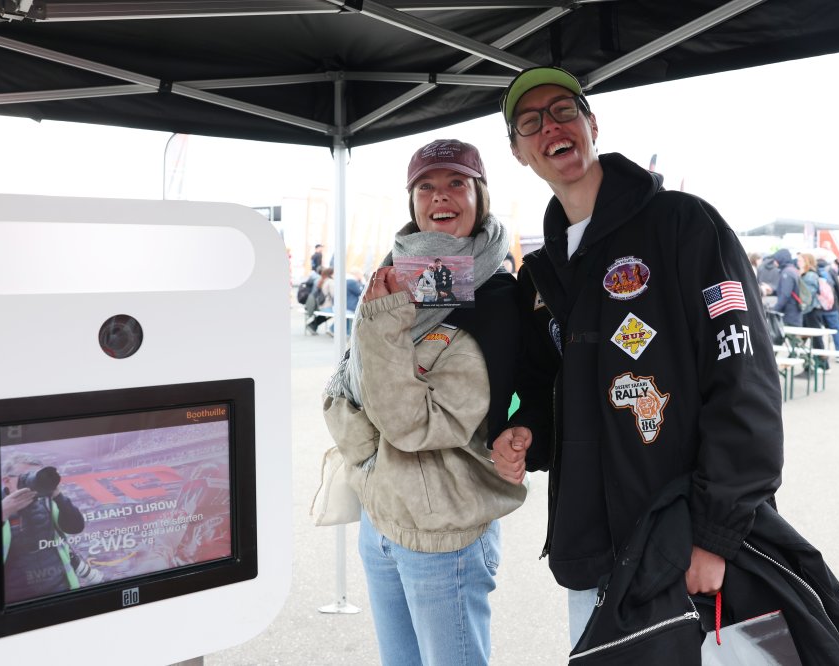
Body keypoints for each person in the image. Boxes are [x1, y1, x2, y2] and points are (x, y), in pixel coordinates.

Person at [489, 66, 783, 653]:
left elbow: (743, 380)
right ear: (519, 153)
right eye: (530, 122)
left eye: (564, 111)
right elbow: (548, 385)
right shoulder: (541, 274)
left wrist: (715, 534)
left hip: (686, 543)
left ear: (592, 124)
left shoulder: (684, 224)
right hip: (590, 551)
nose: (551, 127)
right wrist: (526, 432)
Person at [322, 138, 526, 666]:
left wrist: (384, 326)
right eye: (426, 186)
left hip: (443, 539)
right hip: (381, 519)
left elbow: (412, 425)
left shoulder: (496, 300)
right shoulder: (393, 274)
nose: (441, 196)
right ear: (412, 201)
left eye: (457, 183)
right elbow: (344, 393)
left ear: (480, 196)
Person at [0, 454, 88, 604]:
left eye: (37, 476)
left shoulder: (48, 503)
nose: (34, 482)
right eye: (27, 476)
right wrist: (3, 513)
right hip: (15, 599)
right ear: (7, 480)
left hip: (60, 590)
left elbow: (76, 527)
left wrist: (58, 496)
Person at [797, 252, 828, 370]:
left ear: (807, 262)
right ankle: (810, 365)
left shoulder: (810, 275)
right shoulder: (806, 274)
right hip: (809, 311)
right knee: (804, 339)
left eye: (800, 260)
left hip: (811, 311)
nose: (798, 262)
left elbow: (808, 296)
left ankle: (823, 365)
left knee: (816, 339)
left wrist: (801, 307)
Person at [816, 253, 839, 359]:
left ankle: (820, 355)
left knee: (817, 332)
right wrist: (837, 303)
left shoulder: (813, 271)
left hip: (818, 307)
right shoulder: (830, 270)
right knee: (836, 330)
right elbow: (838, 289)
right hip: (832, 306)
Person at [770, 248, 802, 326]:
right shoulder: (791, 270)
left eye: (775, 260)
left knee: (791, 333)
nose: (774, 262)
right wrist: (772, 290)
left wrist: (774, 310)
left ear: (781, 259)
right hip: (793, 313)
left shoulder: (787, 273)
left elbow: (785, 294)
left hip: (790, 314)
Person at [305, 267, 334, 334]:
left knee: (329, 314)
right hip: (327, 305)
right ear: (331, 274)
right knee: (336, 313)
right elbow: (334, 295)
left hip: (320, 304)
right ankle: (331, 329)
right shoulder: (330, 282)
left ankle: (312, 325)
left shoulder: (322, 280)